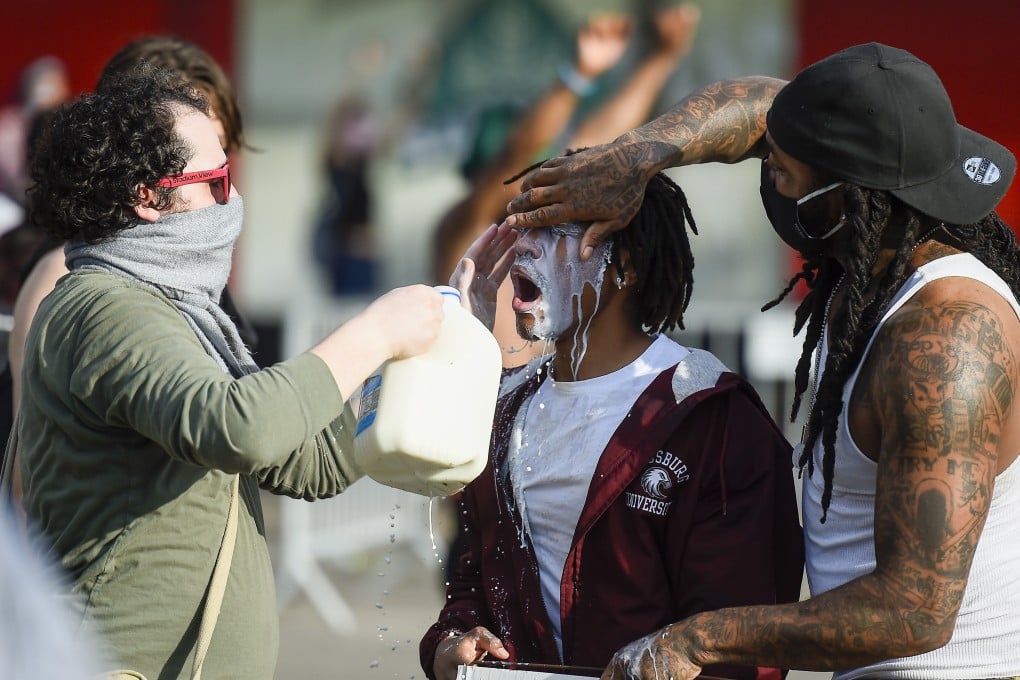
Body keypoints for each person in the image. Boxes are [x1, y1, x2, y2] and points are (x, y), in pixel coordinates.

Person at [505, 42, 1020, 680]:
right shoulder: (884, 234)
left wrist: (698, 639)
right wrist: (637, 157)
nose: (767, 177)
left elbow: (914, 612)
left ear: (849, 195)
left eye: (782, 174)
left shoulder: (946, 343)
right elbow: (758, 109)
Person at [6, 65, 446, 678]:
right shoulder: (105, 305)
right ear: (145, 196)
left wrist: (417, 350)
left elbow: (312, 464)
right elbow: (240, 428)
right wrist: (374, 332)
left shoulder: (174, 307)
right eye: (217, 180)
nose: (233, 200)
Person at [420, 167, 804, 680]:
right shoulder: (505, 407)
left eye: (555, 231)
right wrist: (450, 646)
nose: (527, 248)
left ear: (625, 265)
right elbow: (470, 583)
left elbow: (744, 643)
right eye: (524, 226)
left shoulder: (712, 417)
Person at [4, 37, 258, 508]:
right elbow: (31, 475)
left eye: (224, 158)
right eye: (207, 174)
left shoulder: (185, 270)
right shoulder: (71, 275)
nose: (228, 196)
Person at [433, 5, 701, 369]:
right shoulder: (462, 227)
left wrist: (660, 58)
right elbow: (516, 160)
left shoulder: (536, 224)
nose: (542, 182)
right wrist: (576, 76)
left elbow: (597, 144)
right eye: (534, 172)